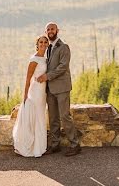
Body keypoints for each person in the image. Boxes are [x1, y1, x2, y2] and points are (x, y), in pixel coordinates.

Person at [36, 22, 81, 156]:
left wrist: (47, 76)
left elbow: (63, 67)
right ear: (46, 31)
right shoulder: (47, 48)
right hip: (50, 89)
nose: (50, 31)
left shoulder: (64, 47)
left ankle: (75, 144)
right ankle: (55, 145)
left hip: (62, 87)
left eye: (52, 29)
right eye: (48, 29)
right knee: (53, 118)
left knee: (65, 116)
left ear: (57, 30)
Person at [12, 35, 49, 157]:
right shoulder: (34, 59)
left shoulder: (45, 59)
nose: (43, 44)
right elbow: (27, 79)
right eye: (41, 42)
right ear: (37, 44)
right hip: (35, 92)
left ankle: (40, 147)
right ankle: (33, 148)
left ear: (47, 44)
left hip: (43, 92)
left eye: (45, 42)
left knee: (40, 117)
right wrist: (25, 96)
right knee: (36, 117)